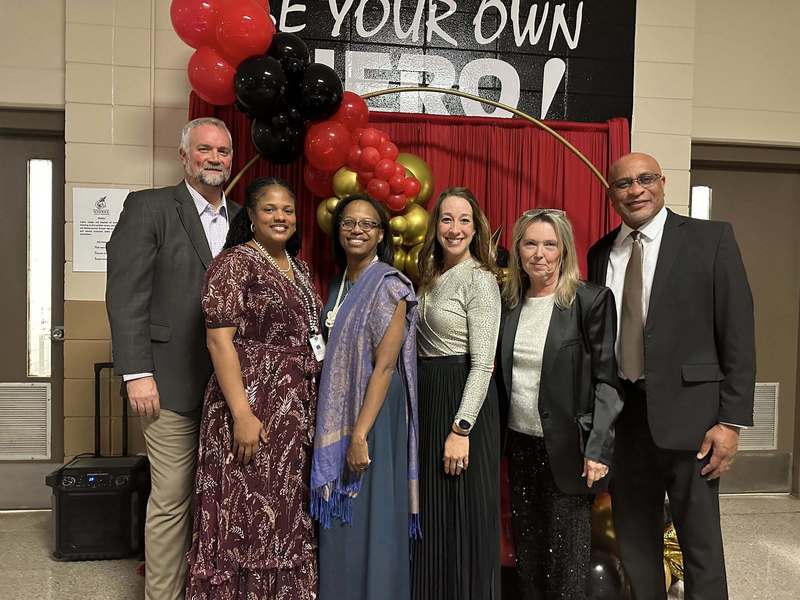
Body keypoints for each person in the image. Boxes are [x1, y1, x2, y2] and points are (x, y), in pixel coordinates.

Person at [587, 152, 756, 599]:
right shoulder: (600, 252)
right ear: (611, 194)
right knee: (636, 542)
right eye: (624, 184)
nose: (636, 190)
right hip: (625, 421)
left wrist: (731, 421)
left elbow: (737, 332)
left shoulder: (710, 239)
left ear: (662, 183)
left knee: (701, 548)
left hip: (695, 421)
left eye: (645, 179)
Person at [106, 117, 237, 600]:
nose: (214, 158)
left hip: (232, 390)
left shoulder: (243, 219)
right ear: (184, 156)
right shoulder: (150, 208)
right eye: (204, 149)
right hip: (168, 385)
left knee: (220, 500)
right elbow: (126, 296)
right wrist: (137, 373)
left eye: (223, 151)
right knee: (173, 497)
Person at [185, 177, 321, 599]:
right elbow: (218, 340)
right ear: (252, 217)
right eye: (269, 209)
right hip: (251, 406)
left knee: (284, 511)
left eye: (287, 210)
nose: (280, 217)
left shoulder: (299, 267)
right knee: (246, 511)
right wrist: (242, 414)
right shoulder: (235, 262)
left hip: (294, 411)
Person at [495, 209, 623, 599]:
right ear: (518, 250)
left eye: (550, 245)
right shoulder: (509, 301)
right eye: (530, 243)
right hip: (521, 446)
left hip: (570, 450)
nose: (540, 253)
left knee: (567, 561)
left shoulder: (590, 300)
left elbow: (608, 383)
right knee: (529, 557)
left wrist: (598, 448)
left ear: (564, 251)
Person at [311, 194, 419, 600]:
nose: (357, 230)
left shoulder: (389, 283)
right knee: (340, 522)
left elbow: (386, 366)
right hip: (340, 410)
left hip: (373, 414)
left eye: (368, 224)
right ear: (338, 230)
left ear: (380, 235)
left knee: (370, 516)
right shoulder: (340, 282)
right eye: (349, 222)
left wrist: (359, 435)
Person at [411, 187, 501, 600]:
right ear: (436, 226)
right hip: (431, 399)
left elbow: (483, 364)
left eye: (464, 220)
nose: (455, 228)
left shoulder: (480, 280)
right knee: (435, 513)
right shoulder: (430, 277)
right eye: (447, 219)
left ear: (475, 227)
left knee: (463, 515)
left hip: (463, 405)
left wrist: (461, 428)